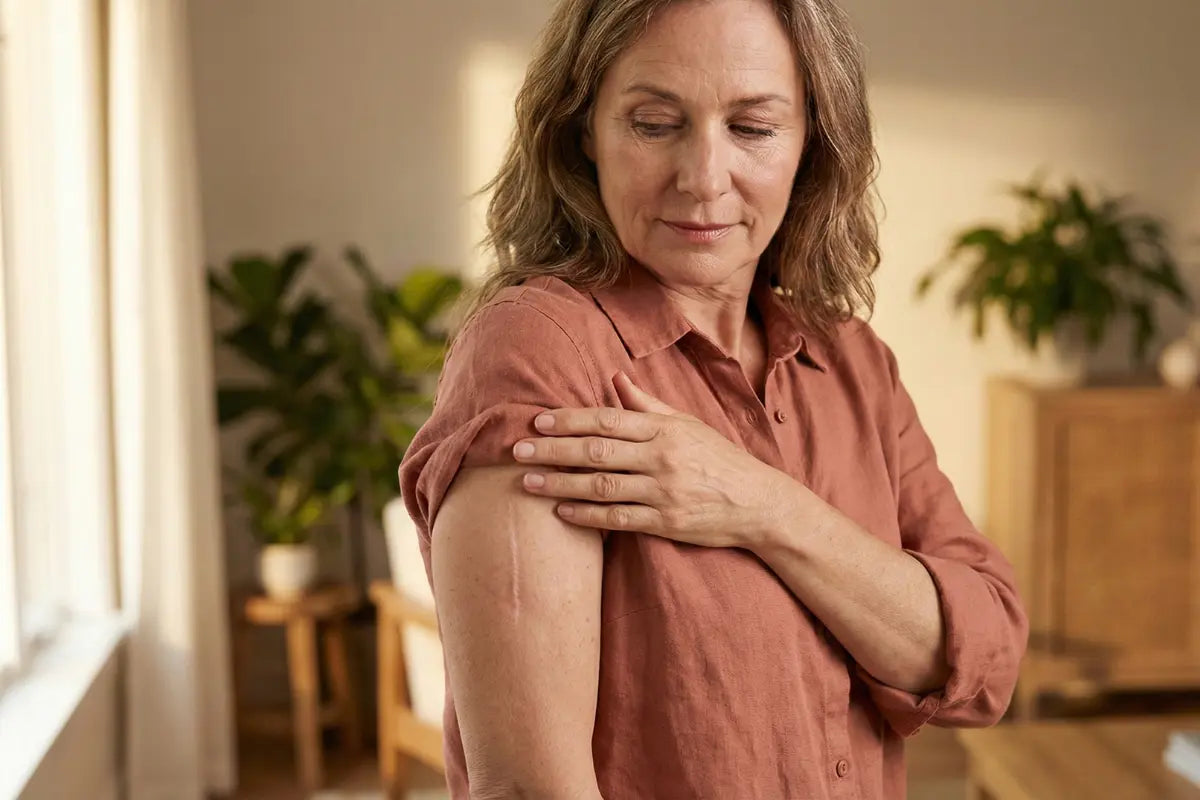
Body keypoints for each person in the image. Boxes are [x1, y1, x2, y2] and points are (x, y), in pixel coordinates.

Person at [399, 0, 1028, 797]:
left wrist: (761, 504)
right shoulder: (541, 354)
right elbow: (530, 791)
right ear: (582, 130)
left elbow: (982, 659)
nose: (703, 178)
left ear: (814, 142)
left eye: (754, 128)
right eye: (655, 123)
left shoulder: (853, 363)